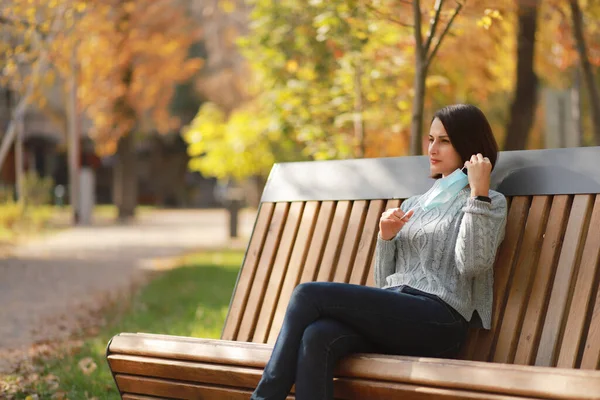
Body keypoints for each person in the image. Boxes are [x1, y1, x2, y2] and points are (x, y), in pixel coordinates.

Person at [250, 104, 508, 400]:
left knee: (307, 294)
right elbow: (385, 283)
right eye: (431, 139)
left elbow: (473, 265)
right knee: (317, 335)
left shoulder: (490, 201)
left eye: (445, 141)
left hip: (441, 320)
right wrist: (386, 240)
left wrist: (478, 194)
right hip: (402, 313)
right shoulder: (415, 203)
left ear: (470, 147)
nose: (433, 148)